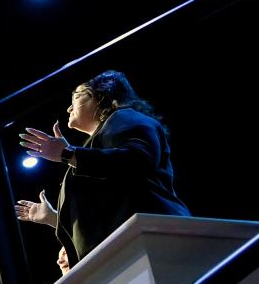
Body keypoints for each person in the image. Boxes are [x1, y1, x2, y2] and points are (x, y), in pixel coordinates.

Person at [17, 70, 189, 269]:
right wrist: (55, 218)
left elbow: (137, 160)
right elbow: (107, 207)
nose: (68, 108)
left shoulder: (123, 116)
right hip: (130, 248)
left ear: (104, 97)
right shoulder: (98, 144)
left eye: (78, 96)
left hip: (152, 241)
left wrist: (67, 154)